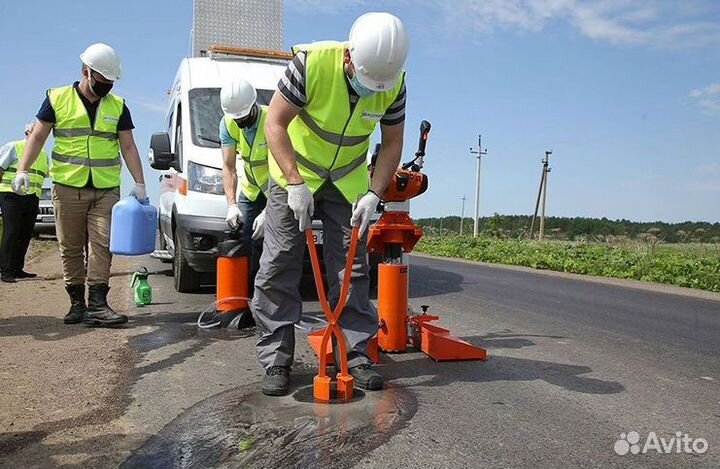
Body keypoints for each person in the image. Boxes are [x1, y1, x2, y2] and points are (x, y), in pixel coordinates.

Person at [253, 12, 409, 396]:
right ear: (348, 57)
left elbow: (391, 144)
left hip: (347, 178)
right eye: (365, 78)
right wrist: (293, 182)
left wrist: (375, 193)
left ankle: (354, 354)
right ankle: (276, 359)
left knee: (352, 267)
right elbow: (274, 123)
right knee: (279, 262)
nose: (373, 88)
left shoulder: (394, 82)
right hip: (295, 173)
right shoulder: (310, 64)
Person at [12, 43, 147, 326]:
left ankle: (98, 304)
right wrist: (22, 169)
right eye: (102, 80)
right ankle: (77, 304)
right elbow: (37, 137)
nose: (107, 86)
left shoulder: (119, 106)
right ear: (86, 72)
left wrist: (140, 183)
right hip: (67, 186)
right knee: (70, 247)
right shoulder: (57, 98)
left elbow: (129, 147)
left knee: (101, 245)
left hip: (105, 189)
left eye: (111, 82)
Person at [220, 77, 269, 288]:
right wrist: (231, 205)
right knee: (244, 240)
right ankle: (243, 294)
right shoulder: (227, 124)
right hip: (250, 191)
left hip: (275, 190)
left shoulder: (272, 118)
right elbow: (228, 166)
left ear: (254, 105)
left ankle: (267, 297)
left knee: (274, 245)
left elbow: (286, 165)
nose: (240, 121)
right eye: (235, 118)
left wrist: (271, 210)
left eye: (244, 116)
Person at [0, 122, 49, 283]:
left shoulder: (43, 154)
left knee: (25, 233)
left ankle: (17, 268)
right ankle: (5, 270)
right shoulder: (13, 147)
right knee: (11, 231)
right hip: (11, 195)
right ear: (28, 132)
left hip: (32, 196)